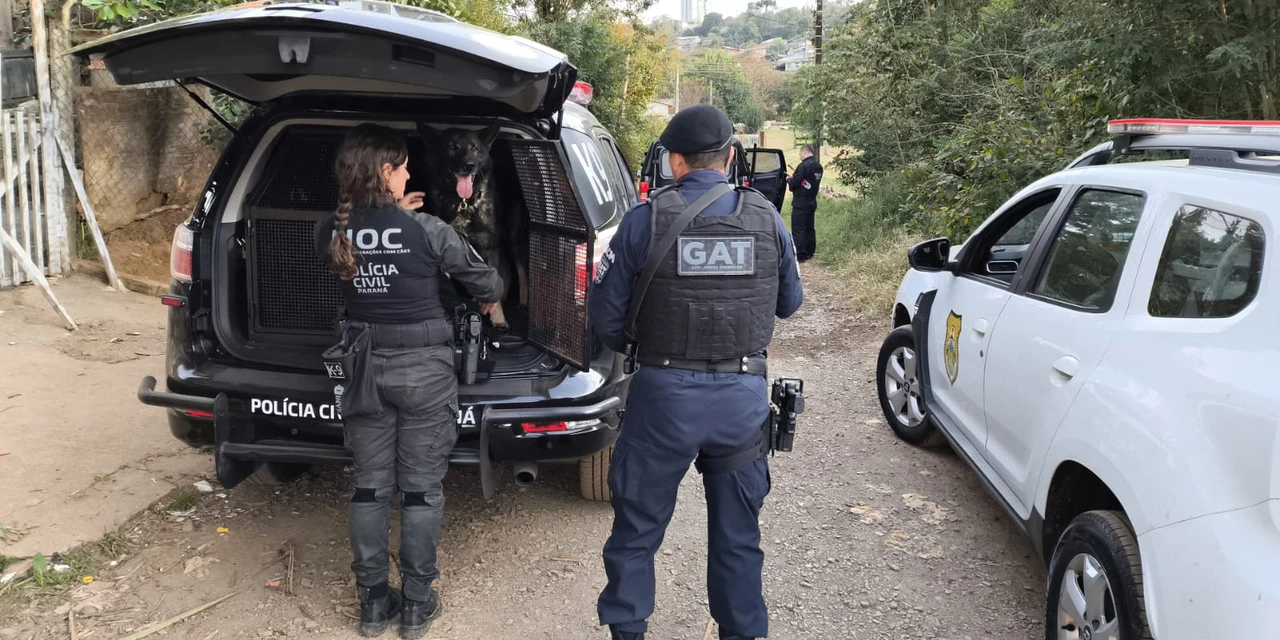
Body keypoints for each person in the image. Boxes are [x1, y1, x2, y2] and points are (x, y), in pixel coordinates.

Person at [589, 104, 804, 640]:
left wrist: (646, 349)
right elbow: (789, 303)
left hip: (663, 399)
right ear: (730, 157)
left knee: (637, 532)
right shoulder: (767, 218)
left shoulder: (643, 220)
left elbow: (605, 318)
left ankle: (628, 632)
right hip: (741, 401)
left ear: (674, 161)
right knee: (738, 539)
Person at [314, 123, 502, 639]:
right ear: (385, 172)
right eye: (402, 166)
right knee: (419, 492)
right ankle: (417, 605)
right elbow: (488, 281)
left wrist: (393, 218)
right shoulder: (430, 231)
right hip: (424, 371)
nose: (409, 172)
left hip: (362, 370)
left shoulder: (330, 230)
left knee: (370, 488)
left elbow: (369, 246)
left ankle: (373, 604)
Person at [787, 144, 823, 262]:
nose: (800, 156)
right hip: (812, 201)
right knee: (809, 227)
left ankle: (800, 254)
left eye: (800, 153)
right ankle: (810, 251)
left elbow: (795, 183)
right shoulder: (818, 167)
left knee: (798, 228)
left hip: (800, 202)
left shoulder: (803, 166)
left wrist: (789, 179)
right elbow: (808, 181)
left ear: (805, 152)